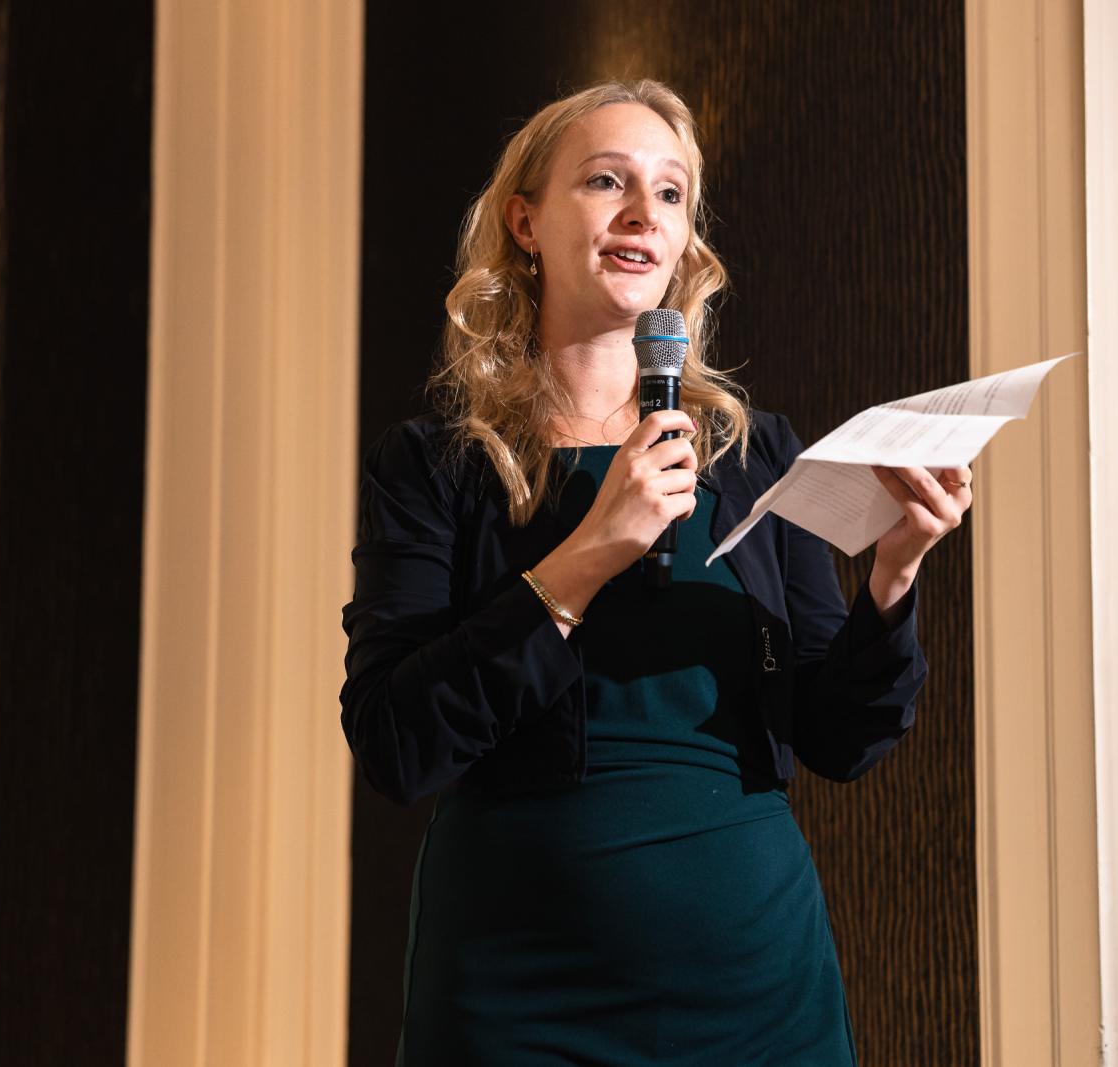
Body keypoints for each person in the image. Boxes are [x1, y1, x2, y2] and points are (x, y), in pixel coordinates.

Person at [340, 79, 972, 1066]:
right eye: (607, 181)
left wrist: (892, 576)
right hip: (519, 987)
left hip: (756, 987)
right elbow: (396, 740)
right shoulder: (435, 467)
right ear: (525, 222)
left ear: (684, 242)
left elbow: (840, 735)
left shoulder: (755, 456)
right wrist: (589, 553)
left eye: (670, 192)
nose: (644, 212)